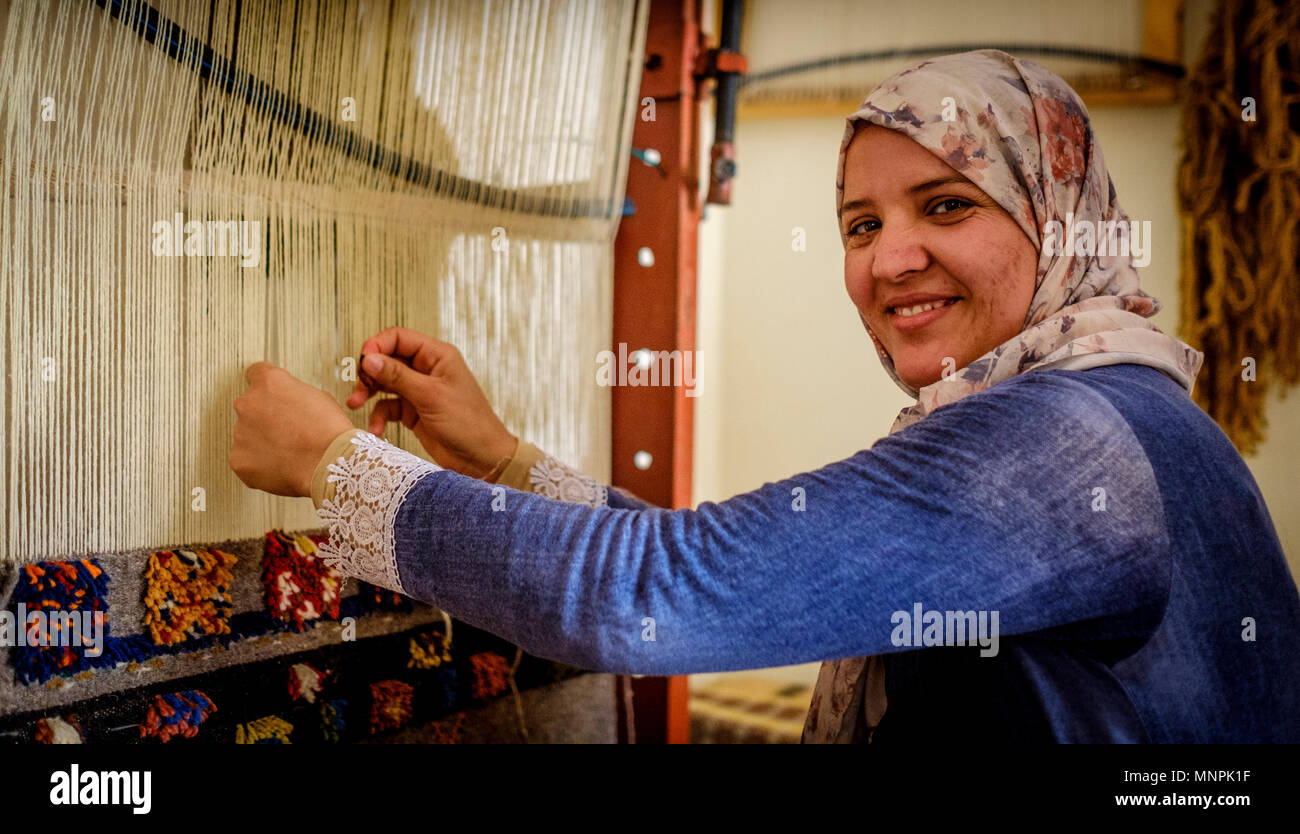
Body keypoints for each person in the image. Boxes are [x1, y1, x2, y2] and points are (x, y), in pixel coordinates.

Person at [228, 50, 1300, 743]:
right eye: (861, 224)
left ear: (1057, 217)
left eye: (945, 204)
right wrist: (502, 461)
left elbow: (652, 596)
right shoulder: (1113, 408)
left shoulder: (1062, 442)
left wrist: (335, 470)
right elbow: (717, 570)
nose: (891, 260)